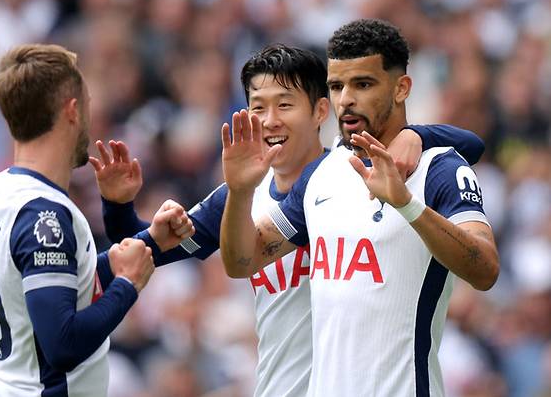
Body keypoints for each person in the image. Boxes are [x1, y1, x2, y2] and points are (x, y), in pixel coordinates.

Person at [98, 44, 487, 397]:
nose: (269, 121)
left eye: (284, 105)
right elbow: (138, 253)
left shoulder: (349, 174)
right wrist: (119, 207)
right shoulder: (238, 198)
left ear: (321, 111)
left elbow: (470, 144)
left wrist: (415, 134)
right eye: (257, 107)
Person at [219, 21, 500, 396]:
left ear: (401, 88)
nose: (345, 100)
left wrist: (407, 205)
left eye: (362, 85)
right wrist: (240, 191)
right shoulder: (322, 173)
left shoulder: (440, 169)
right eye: (336, 86)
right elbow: (242, 262)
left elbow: (485, 270)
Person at [0, 44, 193, 397]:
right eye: (87, 104)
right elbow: (63, 344)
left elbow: (60, 288)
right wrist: (127, 285)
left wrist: (147, 243)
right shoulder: (44, 214)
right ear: (72, 111)